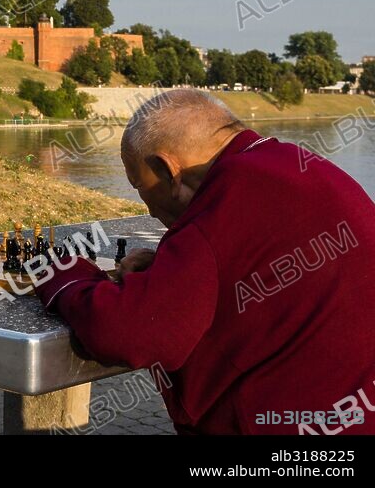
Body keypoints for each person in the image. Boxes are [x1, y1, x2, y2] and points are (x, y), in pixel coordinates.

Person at [35, 89, 375, 435]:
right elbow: (254, 266)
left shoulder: (228, 193)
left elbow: (130, 334)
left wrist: (67, 277)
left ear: (168, 170)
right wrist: (167, 270)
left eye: (139, 186)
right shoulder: (300, 164)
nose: (149, 211)